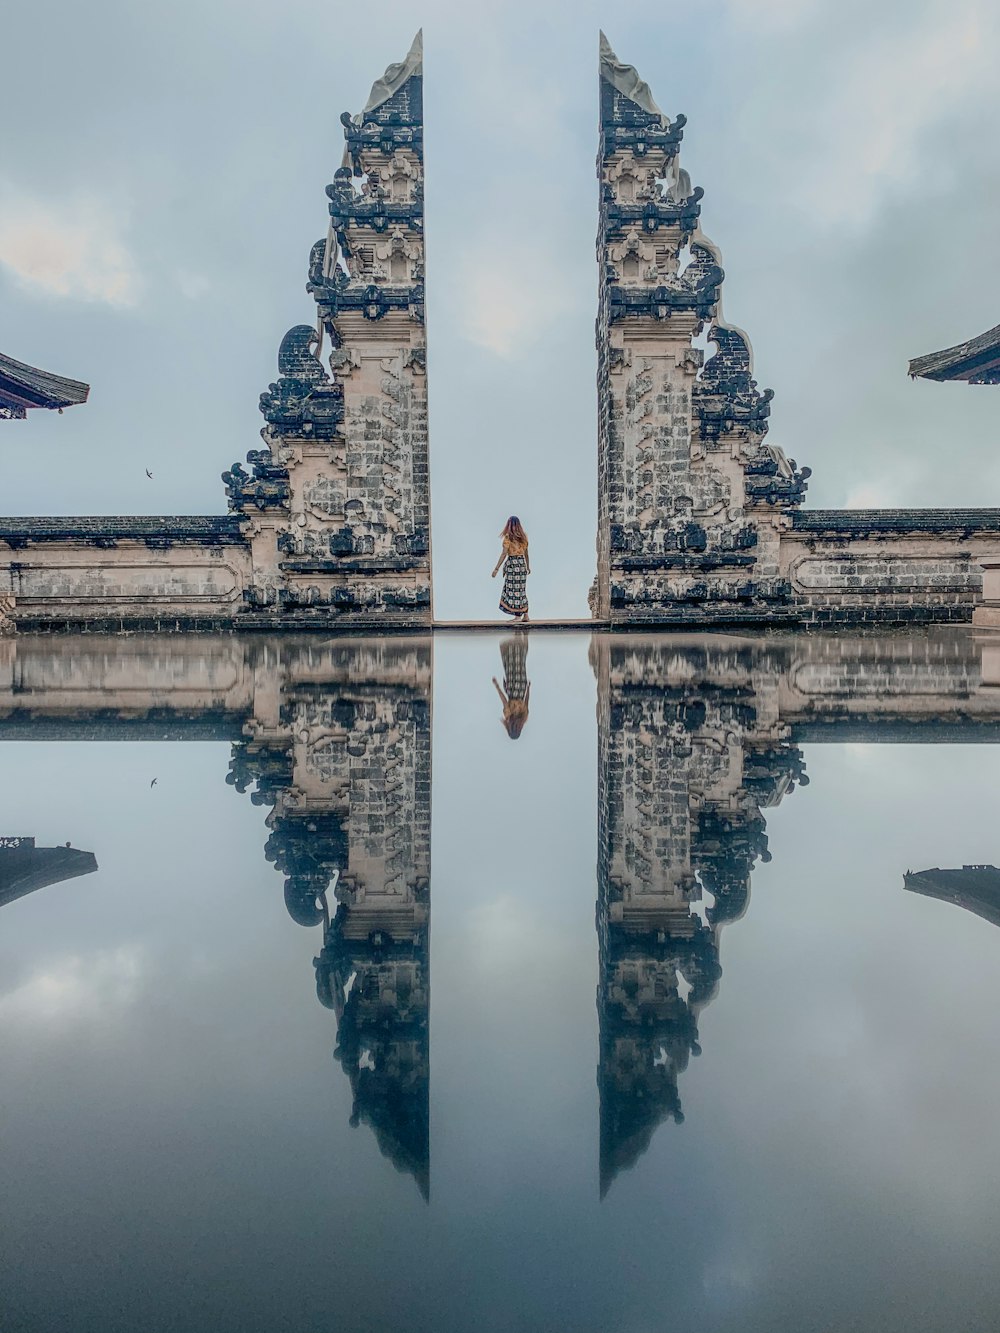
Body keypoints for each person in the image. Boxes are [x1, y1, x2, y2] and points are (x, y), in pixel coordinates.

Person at [492, 516, 530, 621]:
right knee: (521, 590)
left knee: (514, 590)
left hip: (513, 565)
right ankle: (525, 614)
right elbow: (526, 553)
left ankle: (518, 616)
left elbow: (504, 553)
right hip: (522, 564)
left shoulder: (508, 537)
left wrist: (496, 568)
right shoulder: (524, 536)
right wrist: (528, 566)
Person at [493, 637, 531, 740]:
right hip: (518, 688)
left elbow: (505, 701)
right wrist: (528, 689)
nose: (515, 727)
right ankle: (520, 636)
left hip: (516, 687)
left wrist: (497, 686)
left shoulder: (511, 716)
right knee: (518, 662)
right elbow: (526, 701)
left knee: (516, 662)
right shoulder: (521, 717)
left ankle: (519, 636)